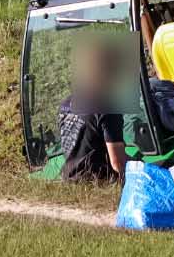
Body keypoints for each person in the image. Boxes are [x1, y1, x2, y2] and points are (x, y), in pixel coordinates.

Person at [54, 39, 129, 182]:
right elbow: (118, 164)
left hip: (69, 178)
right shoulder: (107, 105)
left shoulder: (66, 103)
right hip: (96, 180)